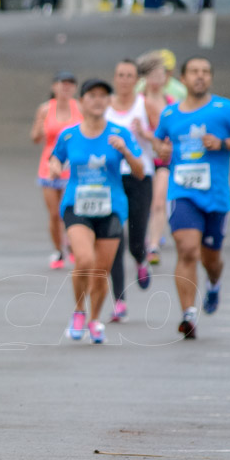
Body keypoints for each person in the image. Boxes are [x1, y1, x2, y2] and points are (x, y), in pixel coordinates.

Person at [153, 57, 230, 339]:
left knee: (211, 259)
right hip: (182, 192)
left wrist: (224, 143)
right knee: (187, 249)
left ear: (210, 78)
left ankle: (213, 283)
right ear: (183, 79)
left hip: (215, 196)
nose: (200, 77)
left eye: (205, 72)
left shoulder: (224, 109)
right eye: (194, 72)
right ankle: (188, 313)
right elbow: (160, 142)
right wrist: (162, 152)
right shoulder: (169, 114)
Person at [50, 79, 144, 344]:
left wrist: (125, 151)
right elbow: (55, 158)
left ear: (109, 102)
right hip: (76, 205)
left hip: (111, 206)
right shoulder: (69, 134)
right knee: (85, 260)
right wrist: (55, 167)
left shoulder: (120, 133)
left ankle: (94, 319)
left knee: (101, 270)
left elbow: (139, 172)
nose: (98, 100)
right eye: (92, 95)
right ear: (81, 102)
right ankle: (79, 311)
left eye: (103, 96)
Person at [105, 59, 155, 323]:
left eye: (129, 75)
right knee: (114, 239)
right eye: (120, 75)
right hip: (111, 178)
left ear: (137, 80)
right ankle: (119, 301)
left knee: (135, 238)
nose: (124, 80)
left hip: (140, 176)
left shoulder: (144, 105)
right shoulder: (104, 107)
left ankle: (140, 258)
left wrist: (145, 134)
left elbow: (164, 142)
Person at [31, 71, 82, 270]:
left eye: (70, 84)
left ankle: (73, 247)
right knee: (54, 215)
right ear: (54, 87)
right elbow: (35, 138)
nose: (66, 88)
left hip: (73, 167)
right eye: (63, 84)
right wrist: (40, 130)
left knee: (69, 211)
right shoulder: (45, 109)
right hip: (48, 167)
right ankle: (58, 249)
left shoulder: (80, 108)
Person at [138, 54, 176, 264]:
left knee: (159, 201)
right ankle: (142, 236)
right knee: (142, 204)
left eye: (160, 74)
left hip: (163, 158)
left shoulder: (171, 102)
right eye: (151, 74)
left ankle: (153, 245)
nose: (156, 78)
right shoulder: (137, 101)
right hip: (141, 158)